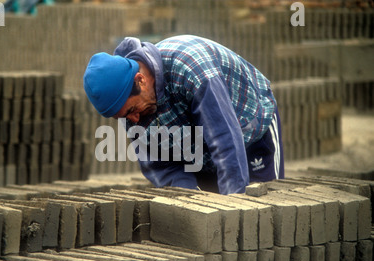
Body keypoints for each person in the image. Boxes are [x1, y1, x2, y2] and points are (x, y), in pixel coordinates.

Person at [83, 35, 284, 195]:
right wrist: (190, 200)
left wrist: (234, 207)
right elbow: (161, 166)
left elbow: (226, 142)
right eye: (124, 118)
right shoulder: (130, 107)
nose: (133, 121)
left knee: (263, 212)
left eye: (131, 111)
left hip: (251, 132)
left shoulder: (192, 70)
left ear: (140, 80)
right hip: (200, 153)